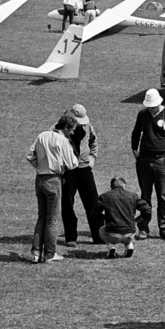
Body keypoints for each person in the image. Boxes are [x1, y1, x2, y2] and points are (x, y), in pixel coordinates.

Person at [27, 114, 79, 263]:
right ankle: (50, 253)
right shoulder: (63, 141)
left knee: (41, 216)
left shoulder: (42, 135)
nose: (73, 133)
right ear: (66, 127)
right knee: (52, 219)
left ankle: (36, 252)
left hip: (39, 178)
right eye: (72, 130)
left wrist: (41, 167)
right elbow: (72, 164)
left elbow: (30, 155)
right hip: (54, 180)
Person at [130, 88, 165, 238]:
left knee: (163, 197)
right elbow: (136, 132)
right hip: (144, 160)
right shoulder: (142, 114)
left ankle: (164, 228)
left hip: (161, 160)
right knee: (145, 196)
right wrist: (134, 150)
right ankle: (144, 228)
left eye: (153, 107)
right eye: (149, 107)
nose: (151, 110)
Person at [60, 104, 105, 247]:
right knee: (67, 204)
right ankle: (71, 237)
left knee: (93, 203)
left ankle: (99, 236)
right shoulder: (58, 129)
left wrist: (92, 157)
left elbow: (93, 142)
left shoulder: (87, 127)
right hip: (67, 171)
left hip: (85, 168)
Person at [96, 176, 139, 257]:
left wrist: (105, 218)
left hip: (112, 234)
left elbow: (94, 213)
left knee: (101, 229)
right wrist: (137, 220)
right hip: (129, 234)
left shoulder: (104, 196)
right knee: (134, 227)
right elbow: (147, 210)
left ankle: (111, 246)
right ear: (124, 185)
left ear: (111, 186)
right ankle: (129, 245)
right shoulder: (133, 196)